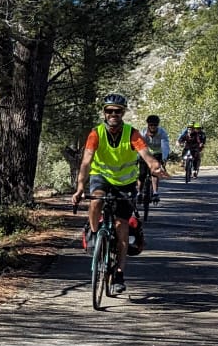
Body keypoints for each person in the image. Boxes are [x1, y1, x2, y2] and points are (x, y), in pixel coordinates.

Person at [71, 92, 166, 293]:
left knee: (122, 226)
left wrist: (154, 166)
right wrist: (80, 187)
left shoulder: (132, 133)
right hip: (101, 177)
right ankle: (95, 234)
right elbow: (86, 162)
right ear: (104, 113)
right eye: (110, 111)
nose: (113, 114)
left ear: (123, 113)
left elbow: (145, 154)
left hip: (126, 183)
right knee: (95, 201)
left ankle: (119, 274)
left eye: (118, 111)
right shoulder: (96, 134)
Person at [138, 115, 172, 212]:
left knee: (155, 172)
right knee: (142, 174)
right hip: (146, 153)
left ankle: (155, 192)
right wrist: (137, 158)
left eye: (155, 125)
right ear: (148, 125)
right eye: (151, 125)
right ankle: (139, 192)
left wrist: (164, 158)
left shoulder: (162, 133)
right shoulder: (143, 133)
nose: (153, 127)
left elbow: (165, 146)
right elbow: (139, 146)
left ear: (158, 125)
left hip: (158, 153)